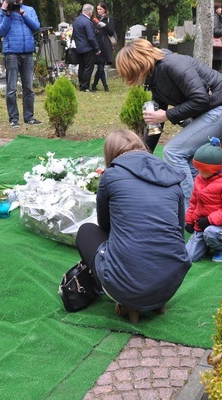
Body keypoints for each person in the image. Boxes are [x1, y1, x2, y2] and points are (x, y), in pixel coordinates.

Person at [74, 129, 191, 324]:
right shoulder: (170, 176)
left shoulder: (111, 176)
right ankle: (154, 295)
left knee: (86, 231)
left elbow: (105, 226)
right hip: (172, 280)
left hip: (128, 284)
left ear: (111, 153)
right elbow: (179, 230)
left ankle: (124, 295)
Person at [115, 39, 222, 208]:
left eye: (129, 73)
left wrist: (166, 115)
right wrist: (143, 154)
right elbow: (156, 125)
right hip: (216, 109)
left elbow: (200, 100)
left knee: (173, 152)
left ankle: (191, 209)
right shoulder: (154, 79)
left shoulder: (172, 64)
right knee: (192, 161)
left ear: (138, 64)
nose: (130, 80)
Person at [184, 137, 222, 263]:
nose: (199, 172)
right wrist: (189, 220)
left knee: (211, 232)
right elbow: (194, 201)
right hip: (202, 223)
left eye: (202, 170)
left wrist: (209, 220)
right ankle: (206, 242)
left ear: (213, 170)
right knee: (189, 257)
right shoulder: (200, 178)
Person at [0, 0, 42, 127]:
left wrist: (23, 14)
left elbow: (36, 26)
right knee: (11, 89)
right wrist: (7, 12)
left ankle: (29, 117)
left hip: (27, 53)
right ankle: (13, 119)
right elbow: (1, 31)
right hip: (12, 54)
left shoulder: (29, 10)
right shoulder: (5, 11)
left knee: (28, 87)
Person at [72, 3, 101, 92]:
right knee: (88, 67)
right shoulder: (87, 22)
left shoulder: (76, 20)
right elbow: (91, 37)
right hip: (88, 48)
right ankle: (85, 86)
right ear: (89, 12)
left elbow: (76, 34)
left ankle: (81, 84)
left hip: (79, 47)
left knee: (82, 67)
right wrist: (97, 48)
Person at [92, 1, 115, 91]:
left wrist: (104, 26)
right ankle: (102, 86)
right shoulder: (94, 19)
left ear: (105, 9)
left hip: (105, 45)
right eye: (97, 9)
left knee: (101, 66)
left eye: (100, 9)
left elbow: (111, 31)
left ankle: (97, 85)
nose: (99, 11)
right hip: (97, 45)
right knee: (100, 66)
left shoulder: (109, 19)